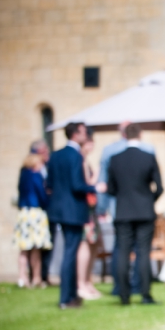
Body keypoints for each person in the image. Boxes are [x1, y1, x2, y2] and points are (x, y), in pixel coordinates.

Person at [97, 121, 156, 296]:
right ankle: (144, 292)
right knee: (143, 252)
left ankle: (122, 292)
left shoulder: (112, 155)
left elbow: (110, 188)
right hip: (144, 211)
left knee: (122, 250)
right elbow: (159, 186)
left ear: (123, 134)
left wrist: (104, 206)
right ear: (140, 134)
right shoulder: (149, 154)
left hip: (121, 210)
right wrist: (148, 200)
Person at [46, 122, 98, 309]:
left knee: (68, 252)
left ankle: (70, 296)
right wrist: (95, 187)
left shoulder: (56, 155)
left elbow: (50, 184)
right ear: (76, 134)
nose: (87, 135)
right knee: (70, 253)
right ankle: (66, 298)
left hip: (58, 210)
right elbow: (77, 185)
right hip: (73, 210)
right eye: (84, 132)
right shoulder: (76, 156)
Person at [14, 148, 52, 288]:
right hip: (35, 213)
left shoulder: (23, 174)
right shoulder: (36, 176)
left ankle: (22, 277)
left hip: (23, 213)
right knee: (36, 247)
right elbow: (42, 195)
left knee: (23, 248)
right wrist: (48, 201)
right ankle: (36, 278)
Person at [76, 132, 102, 301]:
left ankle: (87, 281)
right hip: (84, 210)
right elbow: (86, 184)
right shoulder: (81, 161)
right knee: (85, 244)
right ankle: (81, 284)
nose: (92, 145)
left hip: (91, 209)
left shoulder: (85, 161)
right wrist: (98, 177)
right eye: (89, 142)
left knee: (94, 244)